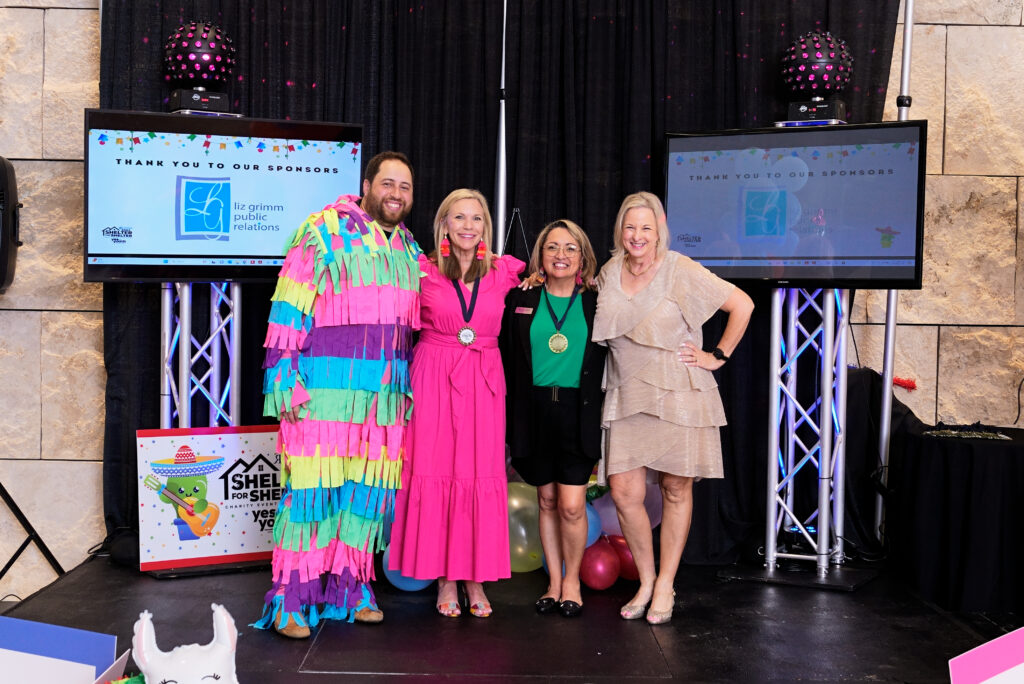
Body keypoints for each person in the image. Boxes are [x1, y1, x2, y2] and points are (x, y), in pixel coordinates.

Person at [253, 151, 421, 638]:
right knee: (309, 496)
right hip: (322, 398)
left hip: (381, 405)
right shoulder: (323, 231)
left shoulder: (409, 248)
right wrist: (284, 379)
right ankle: (289, 599)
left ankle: (350, 588)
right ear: (366, 184)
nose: (396, 194)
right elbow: (289, 304)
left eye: (405, 187)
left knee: (365, 498)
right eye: (387, 183)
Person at [592, 191, 754, 625]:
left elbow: (742, 304)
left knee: (676, 490)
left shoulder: (679, 268)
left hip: (679, 393)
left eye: (646, 227)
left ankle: (666, 583)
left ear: (659, 231)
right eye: (630, 227)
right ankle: (646, 581)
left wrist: (716, 355)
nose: (637, 235)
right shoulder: (609, 271)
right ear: (620, 231)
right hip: (626, 394)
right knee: (625, 492)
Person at [389, 188, 525, 618]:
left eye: (476, 219)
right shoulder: (421, 268)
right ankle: (445, 578)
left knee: (478, 472)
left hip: (484, 378)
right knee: (436, 469)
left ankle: (475, 577)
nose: (468, 226)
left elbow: (560, 279)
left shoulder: (505, 272)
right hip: (432, 375)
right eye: (459, 218)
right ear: (444, 224)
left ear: (486, 226)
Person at [501, 219, 606, 618]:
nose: (560, 255)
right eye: (552, 248)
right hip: (533, 412)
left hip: (579, 414)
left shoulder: (598, 302)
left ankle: (573, 581)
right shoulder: (520, 299)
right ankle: (554, 583)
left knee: (572, 507)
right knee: (546, 500)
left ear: (582, 257)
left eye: (570, 248)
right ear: (540, 257)